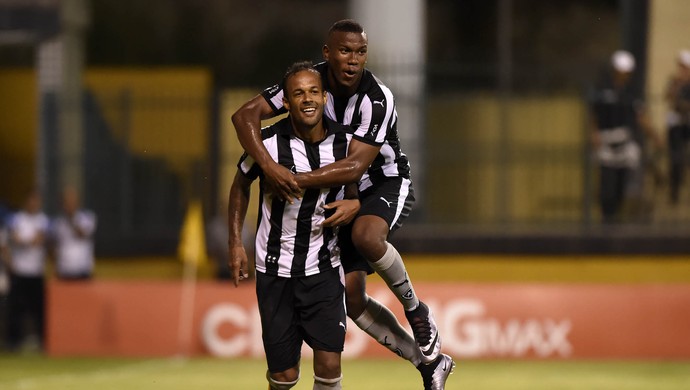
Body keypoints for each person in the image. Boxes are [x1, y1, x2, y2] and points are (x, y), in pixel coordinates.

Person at [232, 19, 454, 389]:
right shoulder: (310, 83)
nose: (353, 60)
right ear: (327, 53)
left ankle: (417, 311)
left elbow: (355, 166)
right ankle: (429, 364)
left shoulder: (378, 98)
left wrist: (293, 180)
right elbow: (244, 115)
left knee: (368, 236)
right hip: (337, 190)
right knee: (352, 299)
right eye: (345, 51)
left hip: (380, 182)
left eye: (361, 52)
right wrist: (270, 167)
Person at [228, 62, 360, 390]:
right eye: (298, 93)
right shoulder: (268, 144)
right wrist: (234, 243)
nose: (308, 99)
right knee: (284, 376)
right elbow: (240, 185)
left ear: (325, 97)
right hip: (274, 270)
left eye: (314, 91)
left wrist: (356, 203)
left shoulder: (345, 144)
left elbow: (357, 185)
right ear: (285, 102)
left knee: (329, 365)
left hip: (324, 268)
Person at [589, 50, 661, 223]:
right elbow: (592, 115)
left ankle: (616, 218)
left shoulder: (631, 92)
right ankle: (606, 219)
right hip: (606, 144)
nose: (624, 74)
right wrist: (593, 134)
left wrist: (655, 136)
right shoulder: (602, 90)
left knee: (621, 187)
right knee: (607, 187)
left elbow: (640, 116)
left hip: (625, 144)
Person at [5, 189, 49, 352]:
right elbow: (15, 238)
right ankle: (12, 342)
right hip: (20, 270)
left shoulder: (43, 220)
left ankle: (42, 341)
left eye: (36, 201)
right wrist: (27, 241)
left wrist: (24, 241)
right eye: (31, 200)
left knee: (39, 309)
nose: (34, 204)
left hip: (36, 271)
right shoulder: (17, 218)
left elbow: (39, 239)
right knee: (16, 309)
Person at [50, 186, 97, 280]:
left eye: (72, 200)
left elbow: (81, 234)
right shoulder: (58, 222)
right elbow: (53, 245)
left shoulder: (88, 218)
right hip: (63, 272)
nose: (69, 204)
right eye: (67, 201)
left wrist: (71, 218)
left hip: (83, 271)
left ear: (78, 201)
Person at [665, 49, 690, 204]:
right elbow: (668, 97)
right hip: (676, 124)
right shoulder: (674, 81)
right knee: (675, 157)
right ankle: (674, 188)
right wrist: (677, 85)